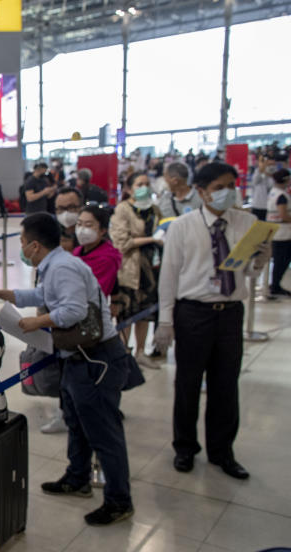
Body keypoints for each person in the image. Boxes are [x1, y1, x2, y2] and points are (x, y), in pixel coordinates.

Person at [0, 213, 134, 526]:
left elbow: (72, 310)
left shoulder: (62, 266)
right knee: (76, 421)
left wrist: (36, 321)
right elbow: (45, 296)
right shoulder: (55, 265)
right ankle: (77, 477)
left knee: (104, 432)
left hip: (95, 359)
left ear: (34, 245)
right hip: (76, 358)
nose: (20, 248)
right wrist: (3, 295)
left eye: (21, 242)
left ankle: (119, 500)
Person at [154, 162, 270, 481]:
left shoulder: (248, 222)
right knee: (188, 383)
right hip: (194, 312)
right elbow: (169, 276)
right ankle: (185, 447)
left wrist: (260, 259)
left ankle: (223, 451)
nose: (227, 192)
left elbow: (247, 271)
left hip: (230, 313)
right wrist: (166, 321)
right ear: (202, 191)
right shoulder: (182, 226)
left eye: (231, 186)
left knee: (225, 384)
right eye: (219, 187)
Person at [110, 172, 164, 369]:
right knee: (127, 313)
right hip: (129, 269)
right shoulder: (122, 210)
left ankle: (141, 351)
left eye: (147, 183)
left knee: (146, 313)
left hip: (151, 268)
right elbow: (121, 243)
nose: (145, 187)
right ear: (130, 188)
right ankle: (124, 352)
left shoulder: (154, 209)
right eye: (139, 184)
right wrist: (151, 239)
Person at [74, 205, 123, 296]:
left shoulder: (107, 259)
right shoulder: (77, 252)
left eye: (88, 225)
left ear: (102, 230)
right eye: (79, 224)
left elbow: (93, 292)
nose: (81, 230)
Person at [266, 168, 291, 297]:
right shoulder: (282, 196)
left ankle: (275, 285)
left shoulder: (273, 193)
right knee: (281, 261)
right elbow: (283, 215)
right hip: (283, 233)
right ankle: (275, 286)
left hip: (276, 232)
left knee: (279, 261)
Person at [53, 187, 84, 252]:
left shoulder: (92, 235)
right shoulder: (51, 234)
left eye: (71, 207)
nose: (65, 213)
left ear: (81, 207)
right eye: (60, 208)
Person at [249, 155, 275, 221]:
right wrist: (263, 170)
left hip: (270, 207)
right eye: (269, 164)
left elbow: (272, 187)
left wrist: (271, 175)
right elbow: (255, 180)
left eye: (273, 164)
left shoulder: (275, 175)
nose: (271, 166)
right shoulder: (258, 173)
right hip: (258, 206)